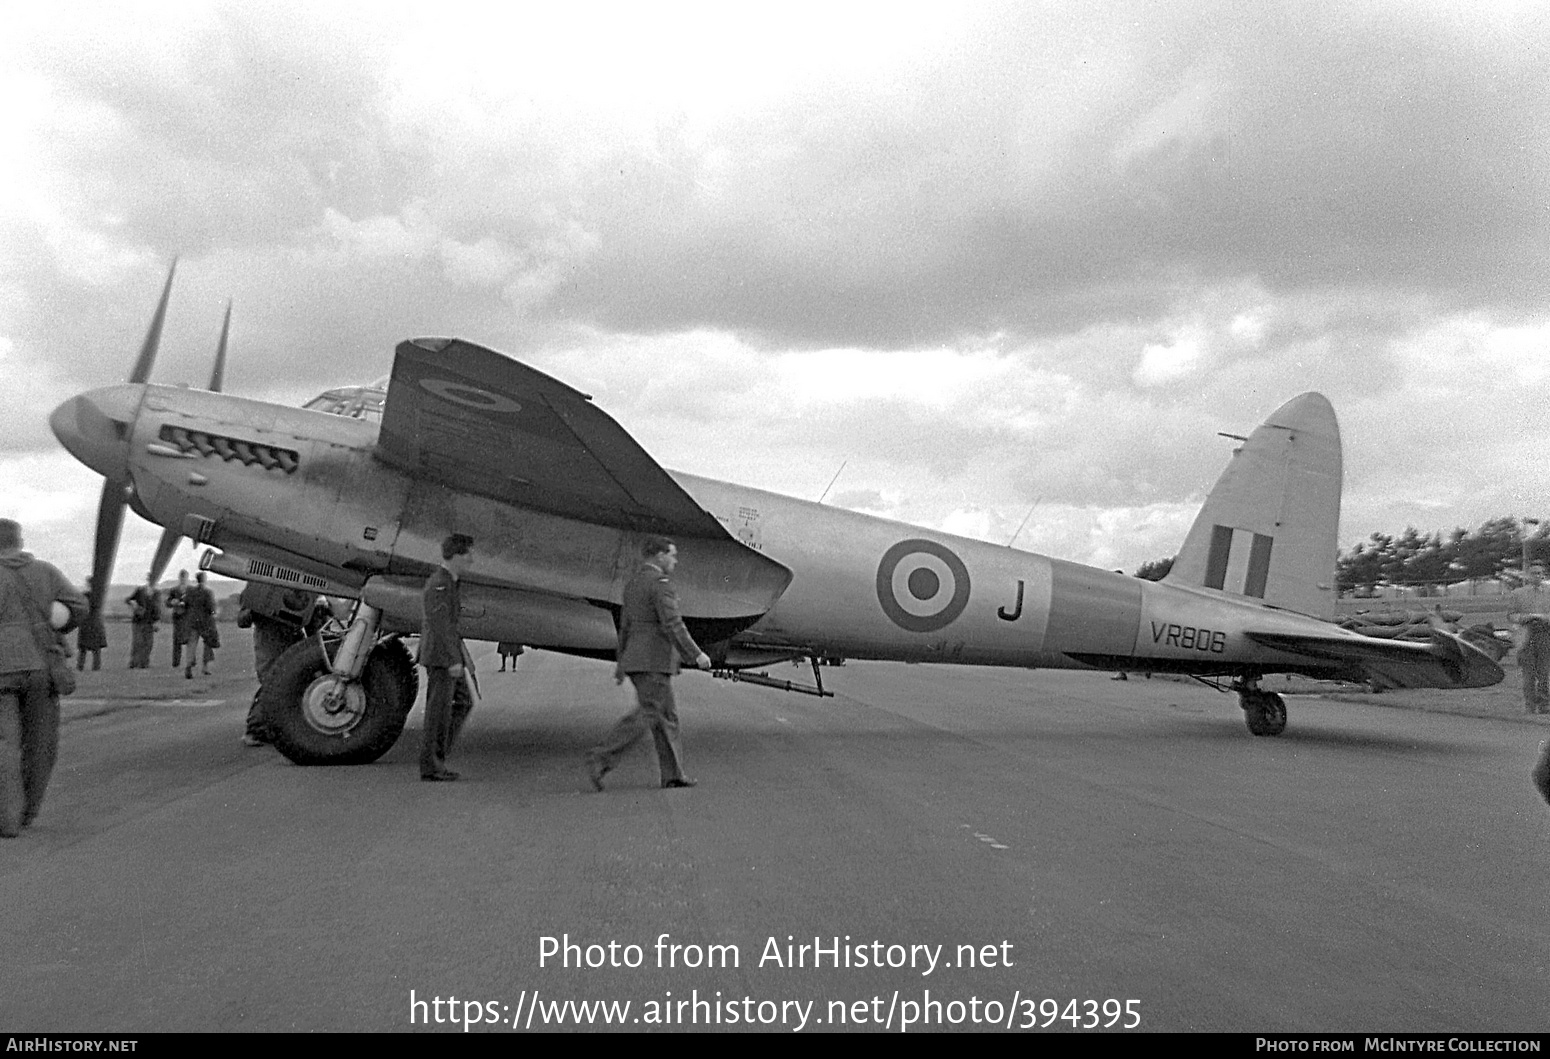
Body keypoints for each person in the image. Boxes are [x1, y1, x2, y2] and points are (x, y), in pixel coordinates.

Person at [587, 536, 711, 792]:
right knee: (649, 713)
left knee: (667, 716)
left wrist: (622, 662)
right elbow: (673, 624)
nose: (675, 561)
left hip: (637, 659)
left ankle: (673, 775)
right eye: (672, 555)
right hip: (654, 661)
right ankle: (601, 756)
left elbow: (625, 627)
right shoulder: (660, 585)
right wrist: (696, 654)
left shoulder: (633, 584)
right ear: (659, 556)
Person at [0, 519, 87, 836]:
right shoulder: (45, 571)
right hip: (41, 666)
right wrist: (57, 622)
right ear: (19, 541)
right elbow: (79, 605)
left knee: (4, 743)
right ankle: (28, 811)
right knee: (41, 743)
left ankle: (7, 818)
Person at [237, 584, 330, 746]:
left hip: (291, 638)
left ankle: (270, 728)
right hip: (270, 640)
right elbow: (243, 619)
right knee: (271, 683)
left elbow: (310, 622)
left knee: (290, 682)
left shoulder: (302, 588)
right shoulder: (259, 588)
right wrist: (255, 610)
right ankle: (256, 729)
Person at [418, 534, 475, 782]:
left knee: (462, 702)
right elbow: (440, 626)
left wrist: (465, 657)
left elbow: (451, 626)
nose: (471, 559)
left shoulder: (450, 582)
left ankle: (438, 758)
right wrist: (454, 660)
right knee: (437, 713)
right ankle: (432, 765)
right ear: (456, 556)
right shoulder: (439, 584)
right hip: (441, 658)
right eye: (467, 555)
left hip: (448, 656)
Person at [181, 571, 219, 679]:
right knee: (208, 644)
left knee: (191, 644)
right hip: (205, 622)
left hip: (192, 621)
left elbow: (185, 604)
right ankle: (205, 667)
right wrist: (214, 613)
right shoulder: (208, 592)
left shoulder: (190, 591)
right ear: (204, 579)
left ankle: (189, 665)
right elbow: (211, 608)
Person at [1516, 615, 1550, 715]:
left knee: (1544, 673)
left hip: (1545, 635)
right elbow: (1512, 615)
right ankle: (1530, 706)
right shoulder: (1521, 599)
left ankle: (1544, 705)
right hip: (1525, 636)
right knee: (1528, 674)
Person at [125, 575, 161, 669]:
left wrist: (156, 621)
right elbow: (128, 599)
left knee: (148, 643)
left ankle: (144, 663)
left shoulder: (157, 593)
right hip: (138, 621)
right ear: (148, 579)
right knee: (137, 642)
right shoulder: (140, 590)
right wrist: (133, 604)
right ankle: (134, 662)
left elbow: (158, 608)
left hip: (150, 622)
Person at [76, 577, 108, 672]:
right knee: (95, 649)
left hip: (87, 622)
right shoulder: (98, 596)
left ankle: (81, 666)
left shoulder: (84, 596)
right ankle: (95, 667)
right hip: (94, 622)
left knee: (84, 649)